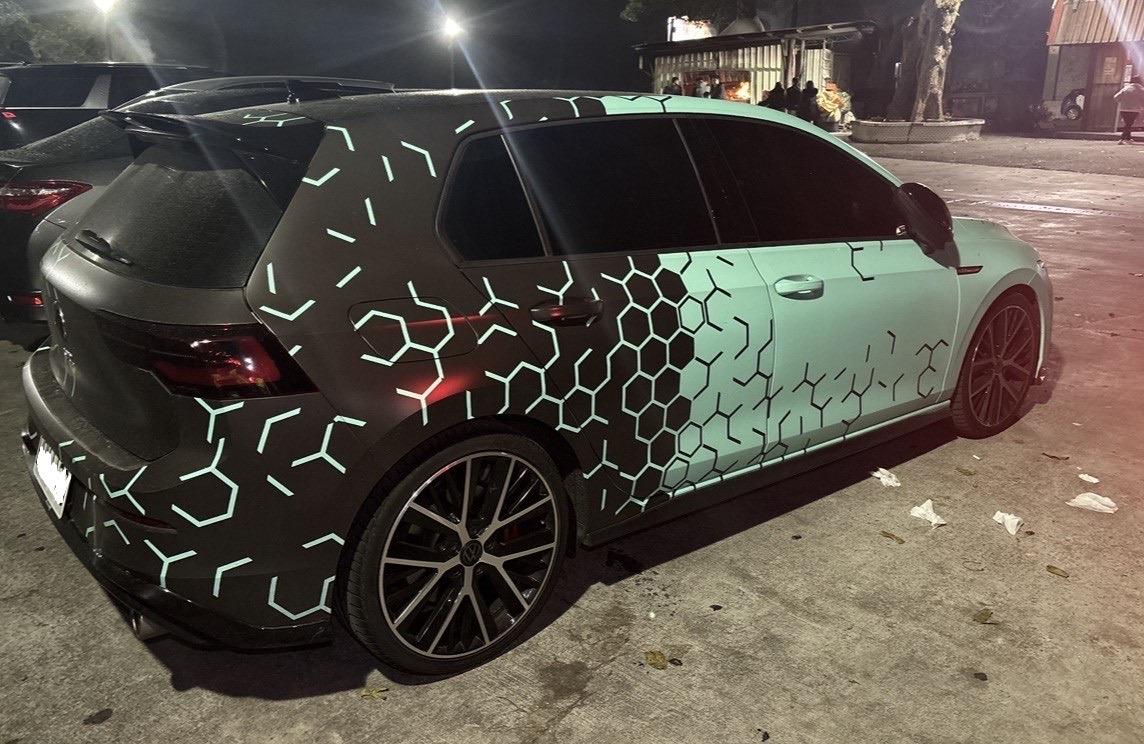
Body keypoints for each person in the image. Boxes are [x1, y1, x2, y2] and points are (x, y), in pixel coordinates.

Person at [1113, 75, 1144, 144]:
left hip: (1123, 109)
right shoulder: (1141, 89)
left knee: (1127, 123)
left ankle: (1128, 138)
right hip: (1134, 109)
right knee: (1129, 124)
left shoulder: (1126, 88)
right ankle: (1122, 139)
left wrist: (1122, 102)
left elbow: (1116, 97)